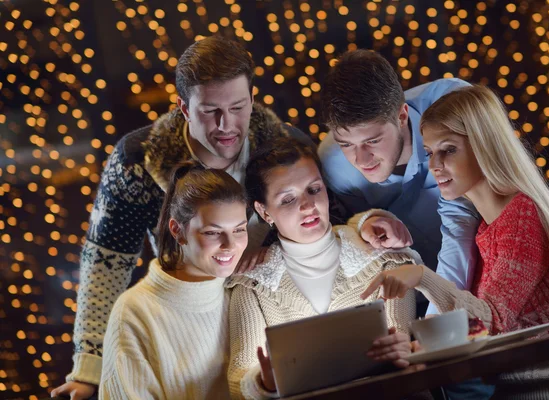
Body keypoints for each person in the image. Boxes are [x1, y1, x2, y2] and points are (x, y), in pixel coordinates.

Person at [52, 35, 312, 399]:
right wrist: (90, 369)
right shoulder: (135, 160)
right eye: (210, 111)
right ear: (184, 109)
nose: (226, 125)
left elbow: (332, 227)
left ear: (253, 100)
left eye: (237, 107)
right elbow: (105, 263)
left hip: (268, 322)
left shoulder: (288, 150)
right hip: (184, 330)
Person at [363, 85, 549, 399]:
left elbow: (494, 323)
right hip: (520, 386)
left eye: (449, 149)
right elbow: (475, 327)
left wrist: (422, 277)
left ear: (484, 145)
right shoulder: (486, 229)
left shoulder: (522, 215)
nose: (435, 165)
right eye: (431, 151)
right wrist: (411, 342)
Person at [226, 139, 430, 400]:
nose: (308, 206)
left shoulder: (384, 257)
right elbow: (238, 378)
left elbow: (403, 343)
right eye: (288, 199)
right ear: (264, 212)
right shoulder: (253, 285)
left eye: (314, 189)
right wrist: (263, 383)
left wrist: (406, 350)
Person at [318, 49, 479, 317]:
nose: (360, 159)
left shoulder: (456, 106)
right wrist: (365, 224)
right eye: (347, 143)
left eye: (372, 140)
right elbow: (360, 247)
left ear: (402, 116)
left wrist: (443, 317)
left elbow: (464, 218)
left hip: (490, 272)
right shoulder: (334, 164)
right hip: (410, 301)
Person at [100, 164, 248, 399]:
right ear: (177, 231)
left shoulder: (246, 288)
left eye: (239, 230)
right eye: (212, 232)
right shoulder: (134, 312)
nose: (230, 245)